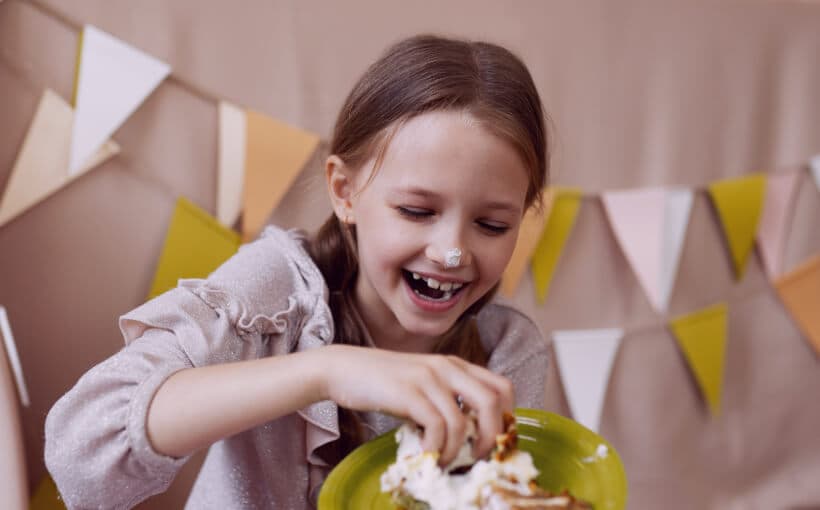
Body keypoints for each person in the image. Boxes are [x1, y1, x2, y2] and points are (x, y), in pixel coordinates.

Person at [45, 34, 552, 509]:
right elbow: (80, 453)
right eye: (416, 212)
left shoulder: (507, 352)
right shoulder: (279, 292)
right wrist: (329, 371)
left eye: (492, 225)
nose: (452, 253)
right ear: (345, 192)